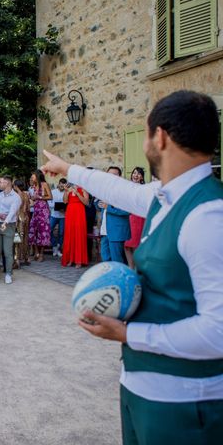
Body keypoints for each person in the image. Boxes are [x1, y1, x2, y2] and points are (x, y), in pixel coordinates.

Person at [42, 90, 223, 445]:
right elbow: (119, 189)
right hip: (145, 387)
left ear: (160, 137)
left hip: (184, 403)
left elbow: (218, 330)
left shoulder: (207, 215)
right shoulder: (167, 196)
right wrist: (68, 169)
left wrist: (129, 335)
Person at [0, 176, 21, 285]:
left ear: (7, 183)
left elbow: (12, 212)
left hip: (9, 225)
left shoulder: (16, 197)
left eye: (1, 182)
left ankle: (8, 273)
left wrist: (5, 222)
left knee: (8, 252)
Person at [96, 167, 130, 264]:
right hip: (104, 231)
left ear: (119, 177)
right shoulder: (104, 190)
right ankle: (109, 278)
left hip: (116, 232)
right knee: (105, 260)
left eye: (114, 175)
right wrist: (97, 203)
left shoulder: (124, 191)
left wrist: (109, 207)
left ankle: (121, 279)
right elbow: (101, 208)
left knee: (117, 261)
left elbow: (127, 211)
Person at [60, 182, 89, 268]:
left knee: (79, 235)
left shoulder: (84, 188)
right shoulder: (69, 188)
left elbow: (86, 202)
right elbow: (65, 201)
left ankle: (79, 260)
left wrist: (77, 193)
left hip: (79, 212)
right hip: (70, 212)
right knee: (70, 234)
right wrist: (66, 191)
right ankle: (70, 259)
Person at [124, 167, 146, 269]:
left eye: (138, 174)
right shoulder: (127, 187)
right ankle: (130, 267)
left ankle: (138, 268)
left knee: (136, 244)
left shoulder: (144, 188)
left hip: (138, 218)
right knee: (126, 245)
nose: (135, 175)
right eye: (134, 173)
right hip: (128, 217)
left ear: (142, 177)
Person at [28, 170, 52, 261]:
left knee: (43, 232)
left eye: (33, 176)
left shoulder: (44, 184)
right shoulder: (34, 186)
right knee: (33, 230)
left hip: (43, 211)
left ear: (37, 176)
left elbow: (50, 196)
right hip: (36, 210)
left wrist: (39, 197)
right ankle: (36, 252)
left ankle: (41, 254)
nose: (32, 178)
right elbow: (34, 200)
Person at [13, 179, 31, 267]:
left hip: (18, 218)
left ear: (16, 186)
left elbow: (16, 209)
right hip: (26, 217)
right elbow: (28, 208)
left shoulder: (16, 195)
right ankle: (26, 257)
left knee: (17, 238)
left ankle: (17, 260)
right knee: (25, 238)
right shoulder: (26, 195)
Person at [49, 178, 67, 257]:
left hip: (63, 216)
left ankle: (59, 249)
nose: (62, 186)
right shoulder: (53, 192)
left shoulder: (66, 193)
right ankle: (54, 246)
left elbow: (68, 203)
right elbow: (49, 203)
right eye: (61, 184)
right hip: (54, 215)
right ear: (58, 184)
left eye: (63, 185)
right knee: (49, 230)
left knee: (61, 233)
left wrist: (64, 208)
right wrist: (56, 206)